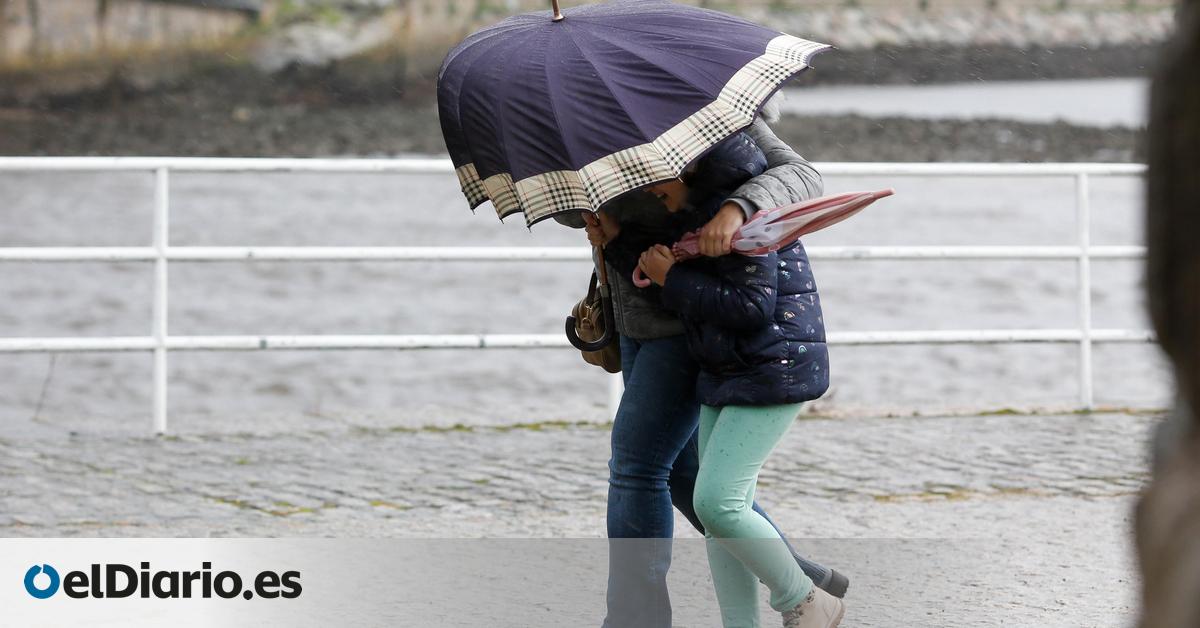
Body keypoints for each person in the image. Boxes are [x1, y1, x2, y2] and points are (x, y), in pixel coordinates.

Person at [562, 103, 847, 628]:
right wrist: (595, 217)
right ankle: (801, 577)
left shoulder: (707, 112)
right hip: (639, 315)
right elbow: (572, 201)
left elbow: (798, 176)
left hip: (691, 321)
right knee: (692, 481)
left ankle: (637, 619)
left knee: (639, 467)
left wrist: (736, 208)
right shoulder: (584, 112)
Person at [636, 164, 841, 626]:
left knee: (716, 503)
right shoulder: (696, 214)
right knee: (721, 518)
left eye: (655, 177)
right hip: (727, 369)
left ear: (688, 169)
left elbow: (752, 305)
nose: (649, 189)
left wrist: (673, 279)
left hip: (774, 368)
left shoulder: (740, 215)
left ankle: (806, 600)